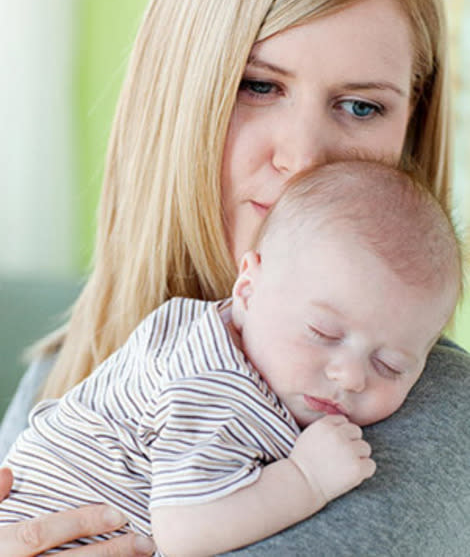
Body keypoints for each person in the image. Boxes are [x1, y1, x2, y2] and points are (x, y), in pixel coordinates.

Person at [1, 0, 469, 555]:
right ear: (177, 98)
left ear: (410, 132)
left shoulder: (404, 414)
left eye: (360, 107)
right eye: (259, 86)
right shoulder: (61, 369)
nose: (303, 159)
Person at [0, 160, 462, 556]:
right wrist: (307, 479)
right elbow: (184, 531)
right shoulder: (218, 380)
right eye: (322, 333)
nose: (351, 376)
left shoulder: (217, 330)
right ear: (247, 289)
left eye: (391, 366)